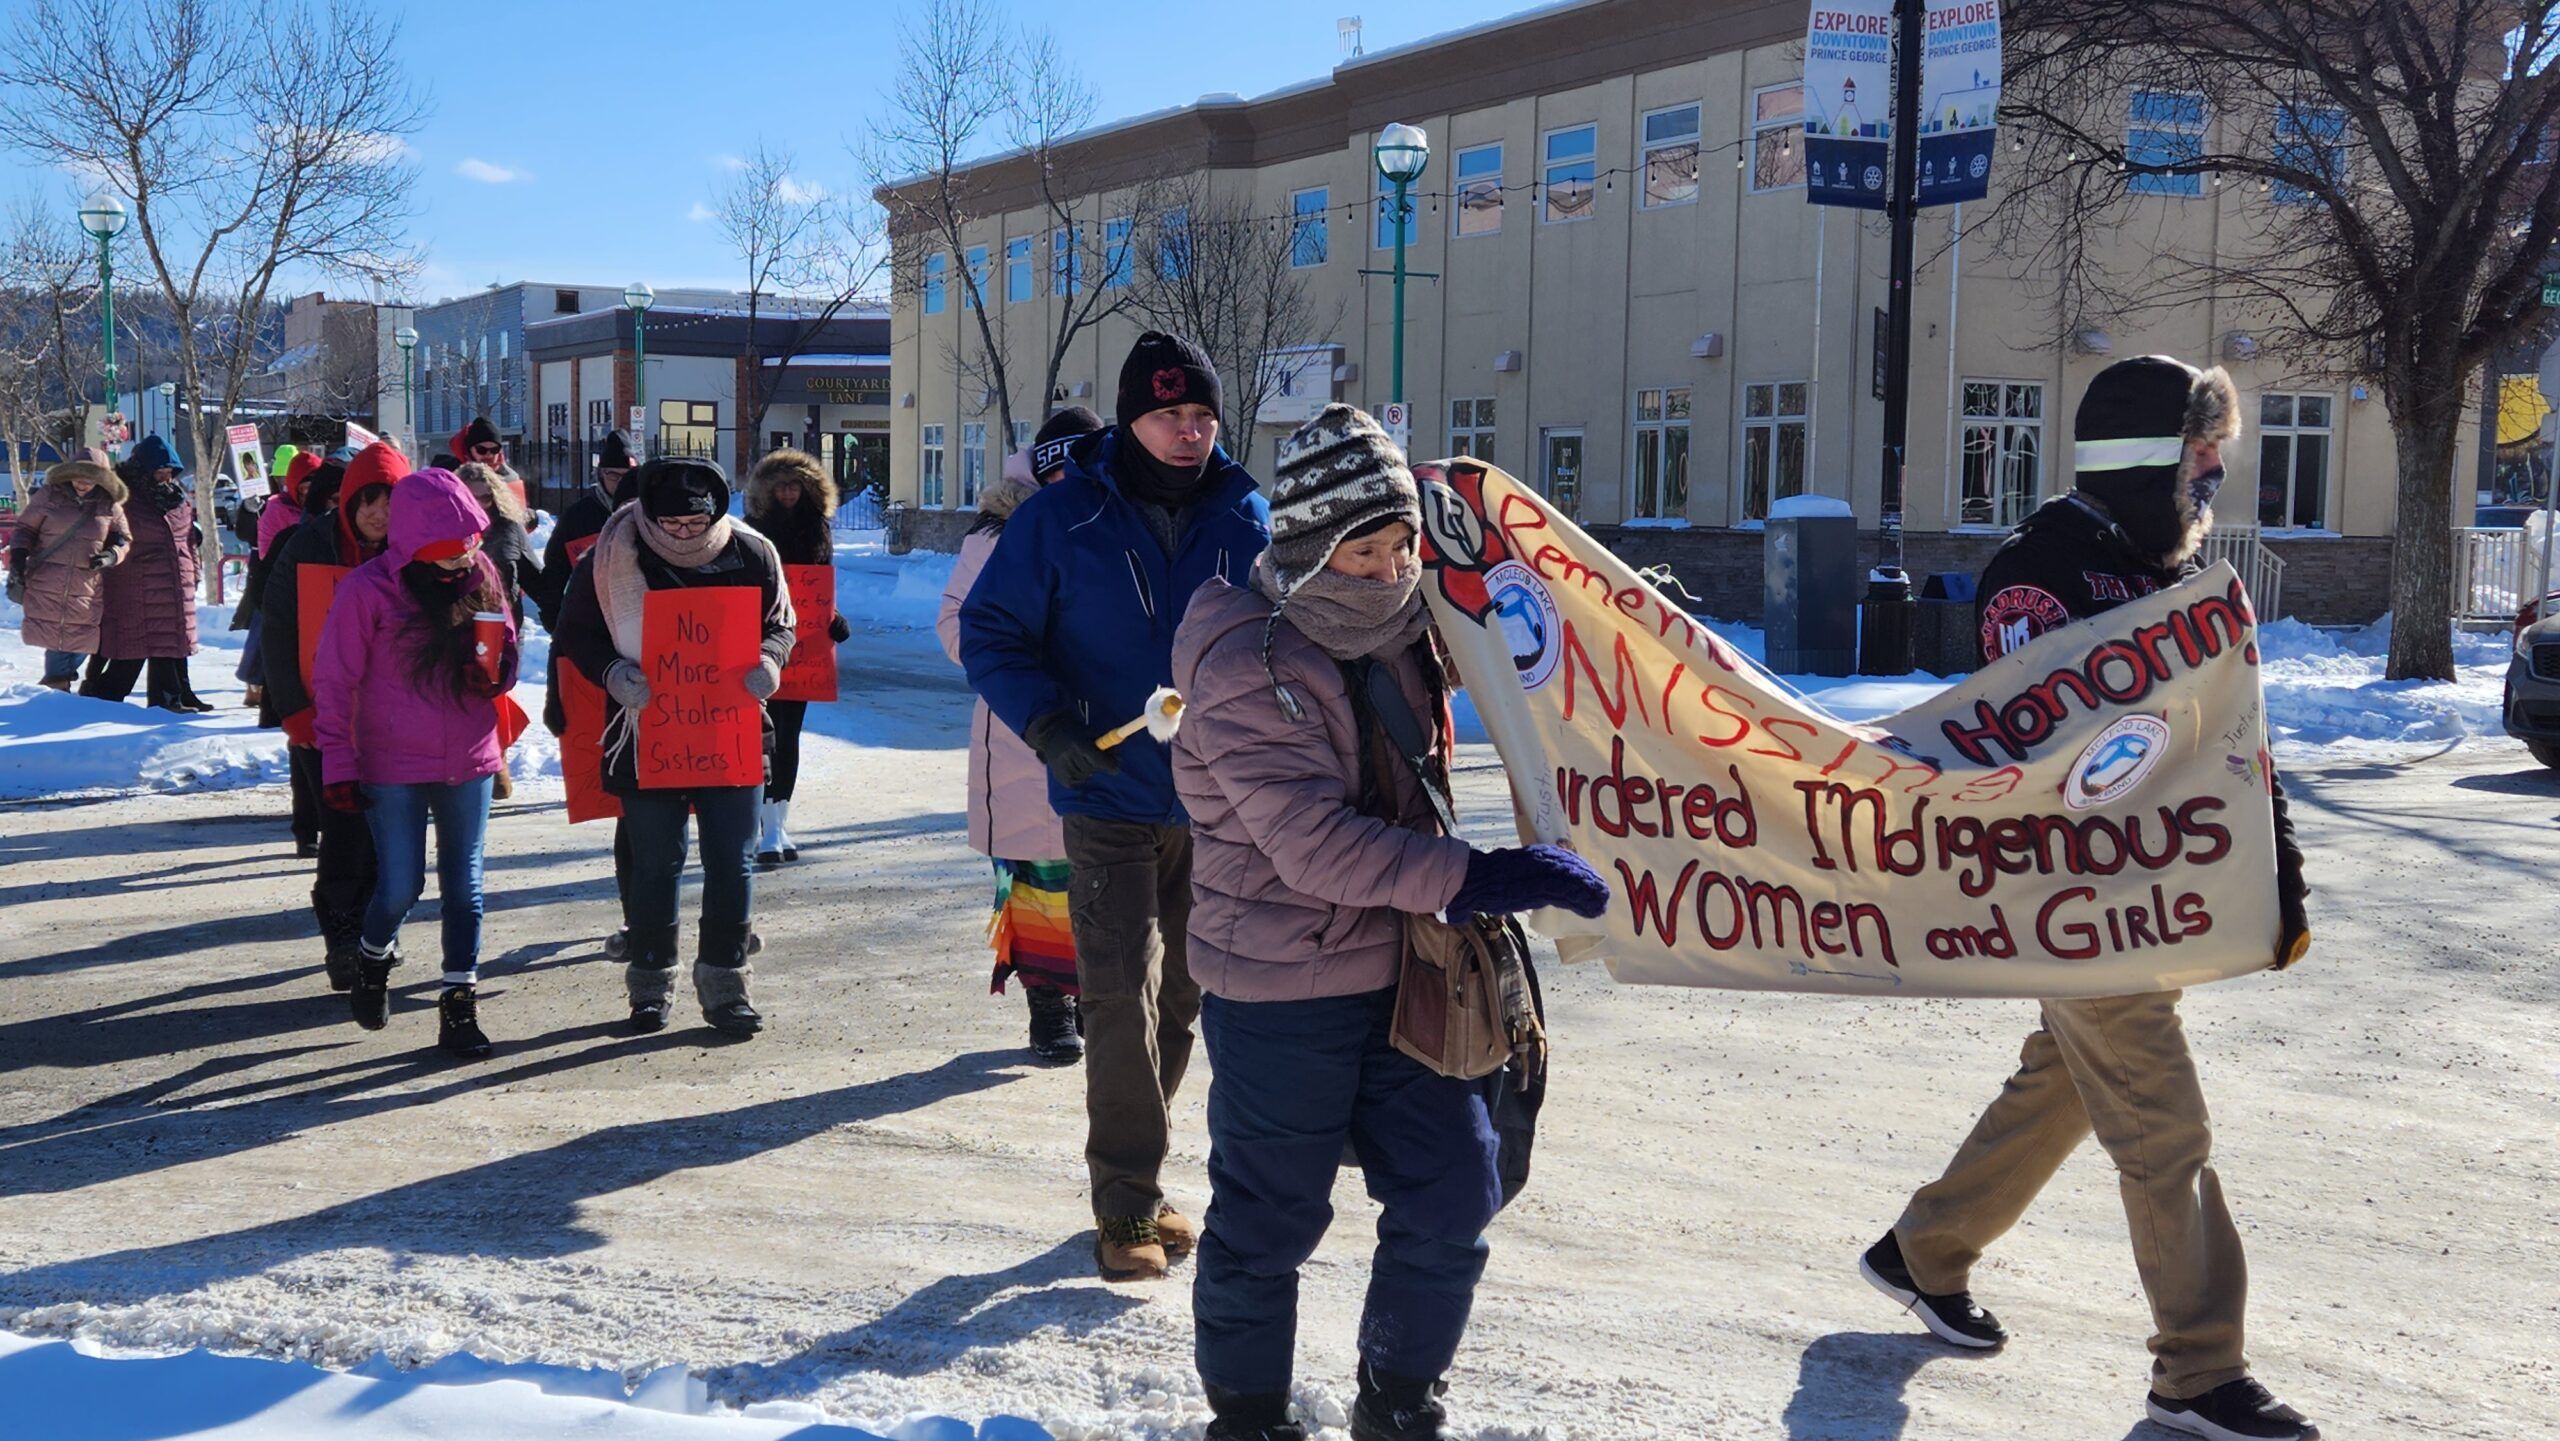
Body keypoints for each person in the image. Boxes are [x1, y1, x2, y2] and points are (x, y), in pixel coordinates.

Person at [1860, 355, 2318, 1441]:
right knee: (2163, 1121)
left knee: (2067, 1080)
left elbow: (2230, 742)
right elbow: (2035, 754)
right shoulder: (2043, 568)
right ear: (2148, 453)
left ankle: (1922, 1250)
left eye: (2218, 449)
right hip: (2068, 899)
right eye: (2201, 448)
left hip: (2144, 892)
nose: (2215, 471)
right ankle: (2197, 1371)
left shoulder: (2164, 571)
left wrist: (2277, 874)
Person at [1171, 404, 1610, 1441]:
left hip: (1413, 967)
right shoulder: (1246, 661)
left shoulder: (1419, 629)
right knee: (1268, 1219)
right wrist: (1482, 876)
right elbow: (1314, 846)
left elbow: (1534, 671)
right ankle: (1246, 1417)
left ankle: (1399, 1398)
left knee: (1456, 1190)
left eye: (1400, 544)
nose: (1387, 569)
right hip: (1281, 983)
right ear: (1307, 546)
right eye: (1362, 550)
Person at [959, 332, 1271, 1282]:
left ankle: (1141, 1169)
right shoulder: (1062, 519)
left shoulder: (1245, 512)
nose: (1190, 431)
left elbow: (1282, 637)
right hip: (1104, 790)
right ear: (1133, 418)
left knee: (1187, 991)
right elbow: (991, 630)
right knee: (1114, 993)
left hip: (1217, 800)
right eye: (1170, 415)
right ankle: (1125, 1201)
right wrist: (1045, 722)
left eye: (1202, 415)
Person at [553, 458, 796, 1036]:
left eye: (696, 524)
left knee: (732, 861)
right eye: (671, 525)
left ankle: (726, 985)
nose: (685, 535)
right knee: (656, 862)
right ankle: (649, 985)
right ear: (647, 515)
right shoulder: (611, 556)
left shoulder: (753, 552)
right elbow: (574, 633)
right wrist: (612, 671)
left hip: (731, 731)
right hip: (645, 733)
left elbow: (781, 624)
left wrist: (771, 660)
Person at [312, 466, 518, 1058]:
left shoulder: (481, 573)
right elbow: (334, 682)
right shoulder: (368, 591)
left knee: (466, 889)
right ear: (412, 546)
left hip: (470, 756)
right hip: (391, 763)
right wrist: (338, 765)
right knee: (400, 886)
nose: (463, 562)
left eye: (470, 547)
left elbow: (505, 641)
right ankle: (373, 959)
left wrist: (496, 670)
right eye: (448, 554)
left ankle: (458, 1008)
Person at [937, 406, 1105, 1063]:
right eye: (1057, 469)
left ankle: (1098, 994)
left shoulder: (1123, 525)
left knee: (1110, 873)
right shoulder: (999, 535)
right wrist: (1016, 656)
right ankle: (1048, 1004)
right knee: (1039, 873)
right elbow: (955, 624)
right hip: (1021, 733)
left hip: (1113, 727)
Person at [265, 443, 403, 978]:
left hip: (393, 721)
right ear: (347, 500)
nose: (378, 513)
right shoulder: (307, 545)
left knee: (388, 832)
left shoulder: (413, 552)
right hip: (321, 720)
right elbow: (277, 632)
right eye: (368, 500)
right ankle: (343, 932)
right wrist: (293, 710)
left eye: (389, 501)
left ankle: (377, 932)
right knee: (344, 828)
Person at [743, 448, 851, 868]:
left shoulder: (817, 530)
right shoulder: (752, 530)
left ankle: (778, 823)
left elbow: (817, 587)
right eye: (781, 486)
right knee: (762, 737)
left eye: (796, 485)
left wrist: (832, 618)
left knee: (789, 737)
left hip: (804, 651)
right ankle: (758, 821)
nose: (789, 493)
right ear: (767, 492)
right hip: (761, 646)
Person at [82, 435, 209, 711]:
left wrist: (195, 573)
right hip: (135, 584)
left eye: (169, 472)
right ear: (143, 469)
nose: (165, 477)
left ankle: (172, 696)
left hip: (174, 581)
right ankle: (100, 697)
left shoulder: (177, 499)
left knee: (172, 643)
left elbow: (188, 540)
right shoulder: (124, 498)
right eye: (159, 471)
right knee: (132, 650)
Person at [8, 452, 129, 691]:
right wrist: (19, 557)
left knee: (82, 638)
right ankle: (57, 687)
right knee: (57, 634)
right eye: (77, 477)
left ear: (101, 479)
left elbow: (123, 539)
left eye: (89, 479)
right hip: (48, 579)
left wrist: (111, 555)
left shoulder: (108, 505)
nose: (82, 484)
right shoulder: (50, 495)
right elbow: (25, 529)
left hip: (86, 583)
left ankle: (58, 684)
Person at [230, 446, 299, 709]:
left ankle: (265, 682)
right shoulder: (260, 495)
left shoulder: (302, 497)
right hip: (264, 566)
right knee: (262, 626)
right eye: (280, 477)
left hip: (291, 565)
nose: (284, 483)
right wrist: (250, 509)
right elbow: (244, 533)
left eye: (287, 477)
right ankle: (253, 681)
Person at [449, 418, 529, 514]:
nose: (489, 455)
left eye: (494, 450)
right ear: (469, 451)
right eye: (481, 450)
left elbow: (518, 514)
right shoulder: (452, 477)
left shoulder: (510, 477)